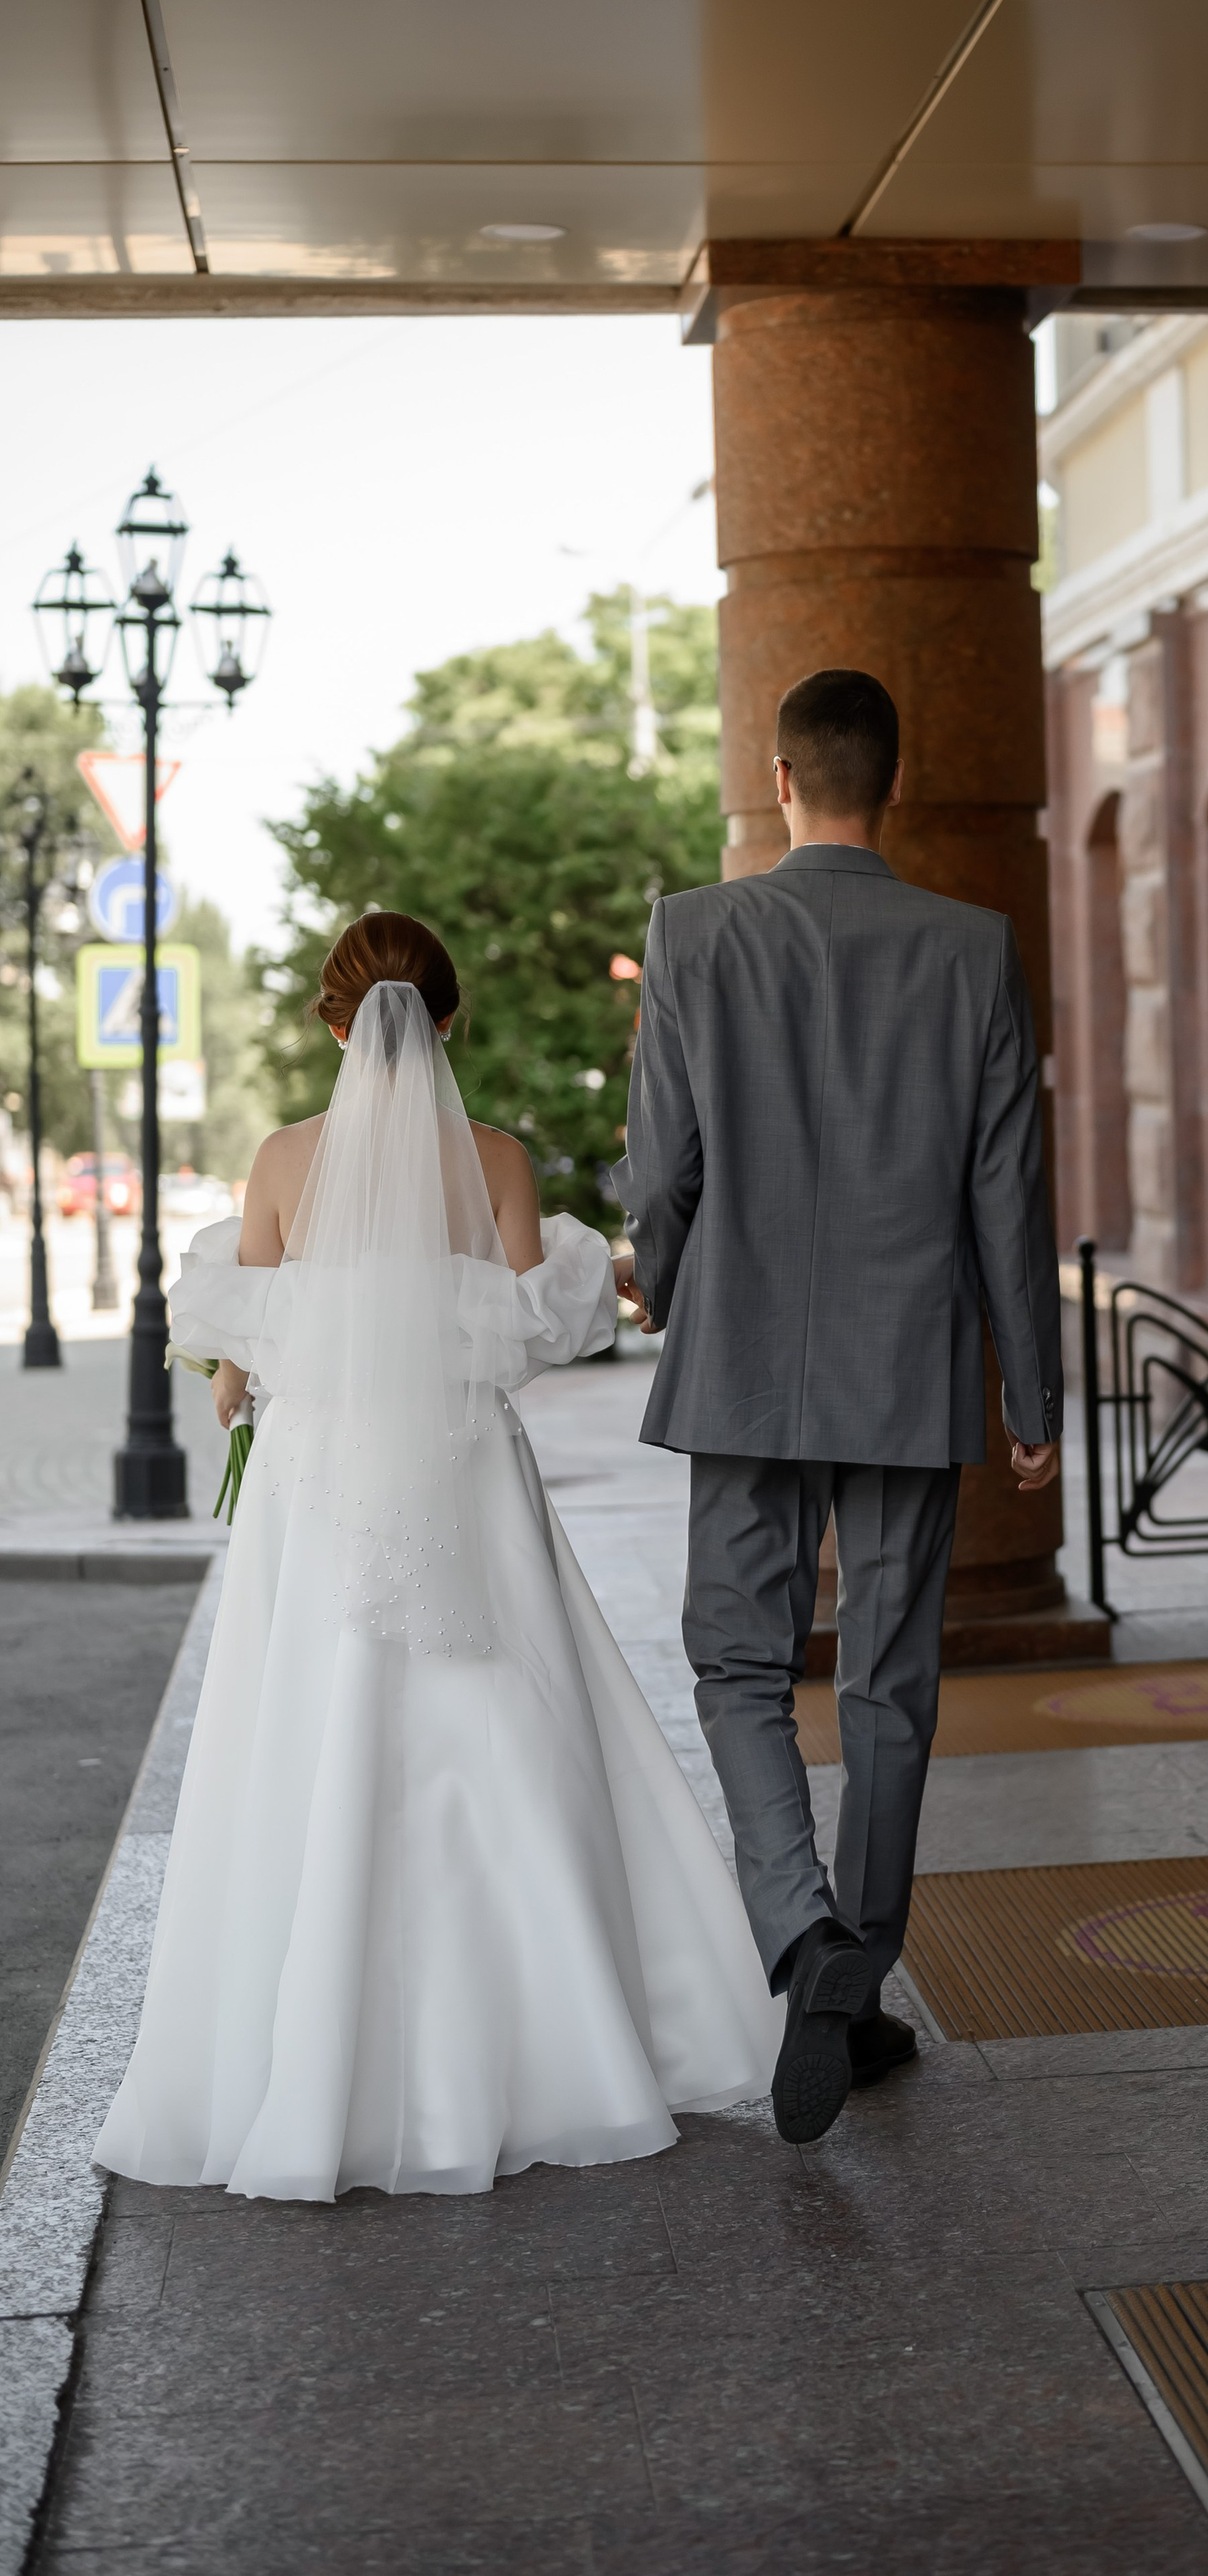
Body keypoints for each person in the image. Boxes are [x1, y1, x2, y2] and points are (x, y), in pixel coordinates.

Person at [94, 914, 779, 2203]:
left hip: (317, 1484)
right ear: (449, 1020)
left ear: (333, 1025)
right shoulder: (497, 1159)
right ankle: (552, 2044)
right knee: (502, 1729)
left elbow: (247, 1338)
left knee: (310, 1724)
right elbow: (534, 1331)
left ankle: (311, 2059)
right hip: (465, 1467)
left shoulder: (282, 1160)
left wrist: (240, 1381)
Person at [613, 668, 1062, 2147]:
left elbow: (661, 1166)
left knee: (738, 1661)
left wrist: (665, 1283)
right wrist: (1031, 1387)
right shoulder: (973, 947)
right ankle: (854, 1983)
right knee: (890, 1679)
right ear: (897, 781)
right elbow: (1008, 1190)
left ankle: (801, 1935)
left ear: (779, 777)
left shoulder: (692, 933)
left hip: (743, 1356)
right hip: (908, 1363)